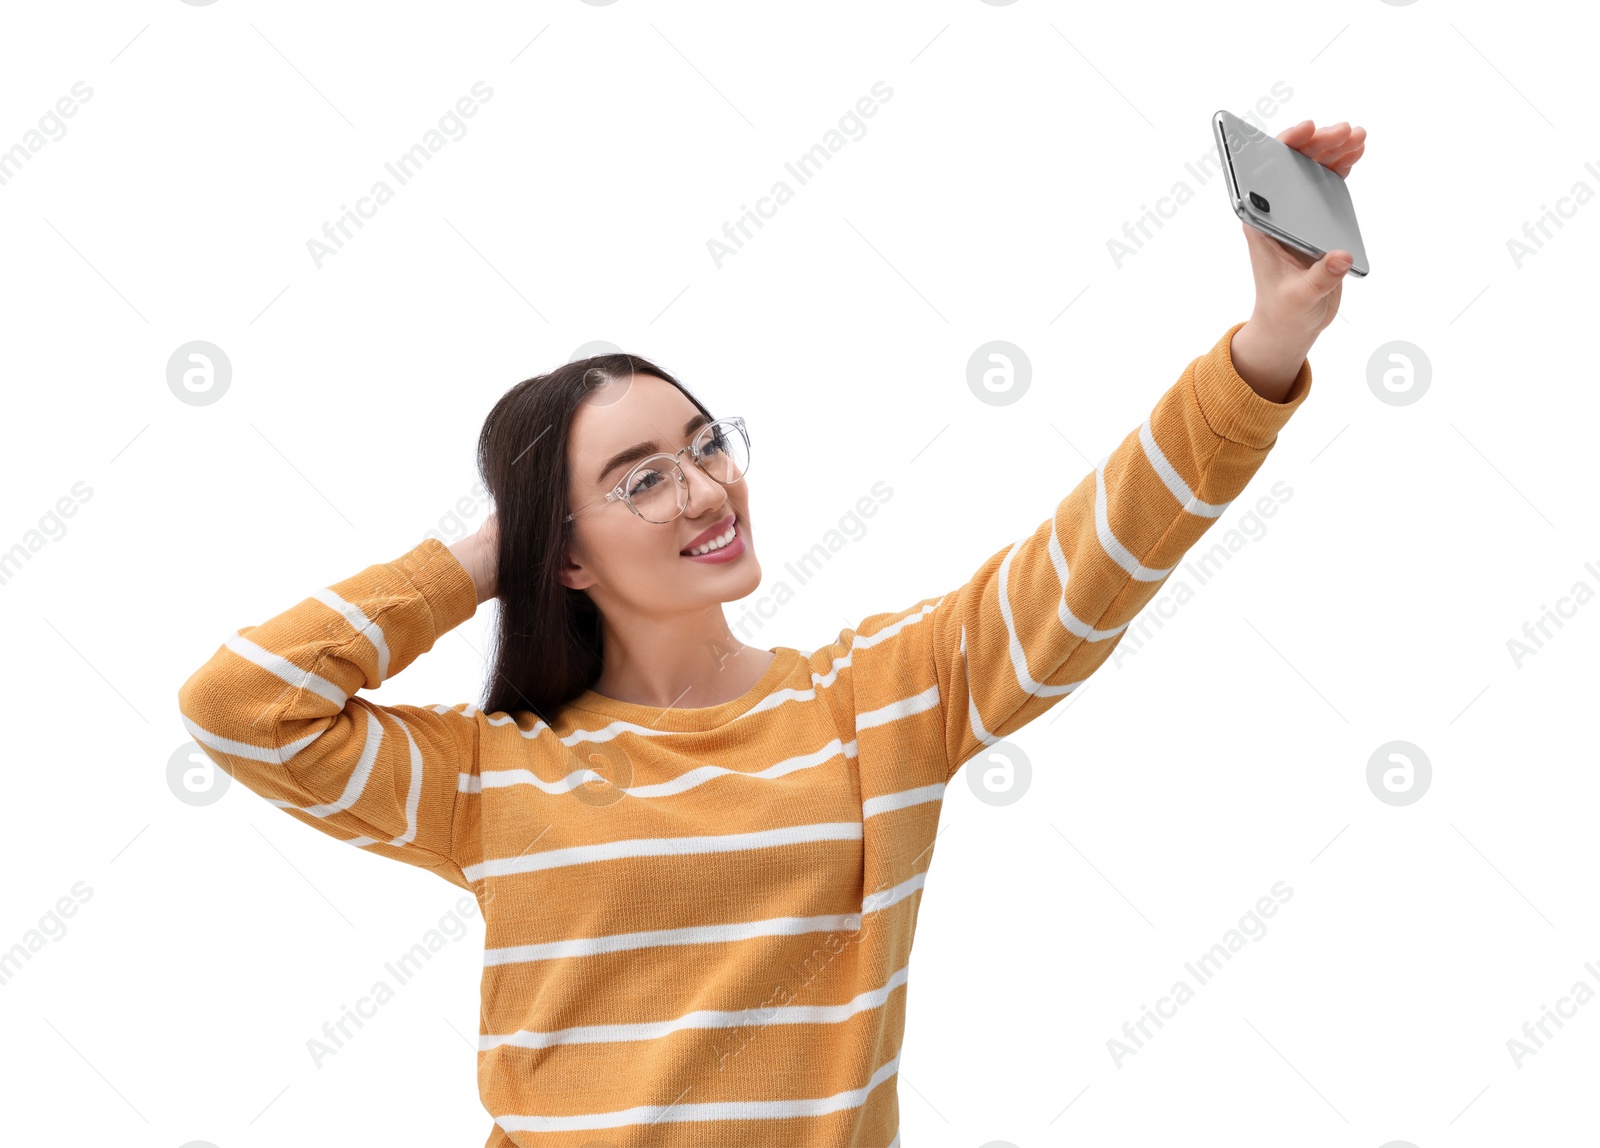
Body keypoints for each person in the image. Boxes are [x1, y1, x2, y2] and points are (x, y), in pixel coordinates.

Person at [177, 120, 1366, 1148]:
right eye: (640, 478)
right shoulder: (497, 773)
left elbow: (1096, 554)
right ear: (568, 555)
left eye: (705, 444)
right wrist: (485, 556)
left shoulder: (878, 701)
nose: (704, 488)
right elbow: (243, 704)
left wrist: (1267, 343)